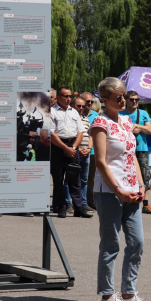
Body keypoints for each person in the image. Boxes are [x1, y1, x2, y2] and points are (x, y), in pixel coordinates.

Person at [91, 78, 146, 301]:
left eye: (124, 95)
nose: (123, 100)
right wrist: (118, 190)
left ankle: (128, 293)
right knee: (111, 244)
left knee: (137, 242)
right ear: (104, 100)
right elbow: (101, 162)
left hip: (132, 190)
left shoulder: (125, 121)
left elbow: (132, 156)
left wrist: (141, 185)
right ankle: (107, 295)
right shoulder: (99, 123)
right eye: (117, 97)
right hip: (109, 191)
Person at [51, 87, 92, 218]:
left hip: (73, 145)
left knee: (75, 178)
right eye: (65, 96)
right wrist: (65, 148)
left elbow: (80, 132)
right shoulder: (51, 112)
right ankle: (61, 207)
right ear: (58, 97)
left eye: (69, 96)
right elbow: (51, 134)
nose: (68, 99)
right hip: (58, 146)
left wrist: (73, 148)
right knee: (58, 178)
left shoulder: (74, 112)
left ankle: (79, 208)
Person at [120, 91, 151, 215]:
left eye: (136, 99)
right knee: (126, 174)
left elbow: (149, 130)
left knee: (145, 176)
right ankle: (126, 200)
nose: (134, 101)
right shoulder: (120, 114)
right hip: (125, 149)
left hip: (141, 149)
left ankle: (145, 204)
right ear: (126, 100)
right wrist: (131, 130)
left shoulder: (143, 113)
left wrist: (138, 126)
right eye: (131, 99)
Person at [62, 97, 94, 213]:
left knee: (84, 179)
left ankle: (83, 203)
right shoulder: (68, 117)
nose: (81, 108)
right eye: (78, 106)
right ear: (73, 105)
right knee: (69, 179)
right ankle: (68, 202)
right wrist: (77, 148)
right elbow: (69, 135)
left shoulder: (86, 119)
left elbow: (90, 135)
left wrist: (89, 148)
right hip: (74, 152)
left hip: (86, 153)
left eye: (83, 106)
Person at [81, 92, 100, 212]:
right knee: (78, 177)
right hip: (79, 151)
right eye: (87, 101)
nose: (89, 103)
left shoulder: (96, 115)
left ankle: (90, 201)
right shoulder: (77, 113)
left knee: (91, 178)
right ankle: (78, 201)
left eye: (91, 102)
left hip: (93, 152)